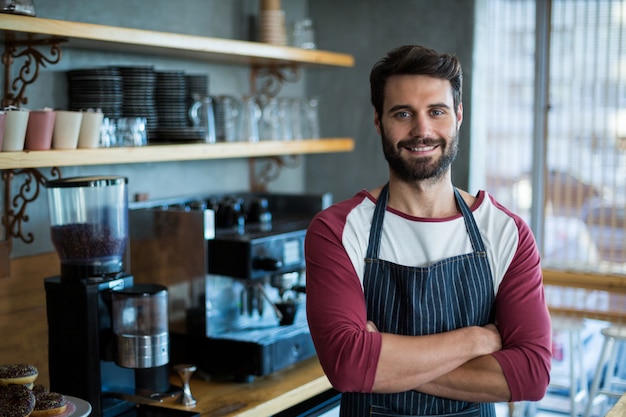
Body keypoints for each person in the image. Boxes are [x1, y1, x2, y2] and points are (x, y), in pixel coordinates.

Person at [304, 45, 552, 416]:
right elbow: (346, 366)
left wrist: (381, 363)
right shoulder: (338, 230)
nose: (422, 130)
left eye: (436, 112)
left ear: (458, 116)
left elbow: (532, 375)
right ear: (378, 121)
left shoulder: (505, 232)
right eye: (403, 113)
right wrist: (477, 340)